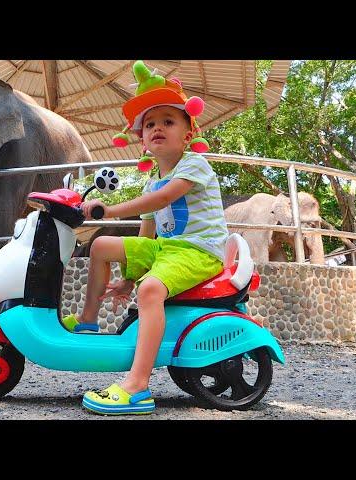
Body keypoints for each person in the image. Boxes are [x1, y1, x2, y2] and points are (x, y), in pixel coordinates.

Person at [61, 61, 229, 415]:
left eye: (168, 121)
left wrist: (109, 211)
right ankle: (89, 319)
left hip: (198, 251)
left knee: (151, 290)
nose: (156, 128)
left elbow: (164, 199)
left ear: (188, 133)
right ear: (142, 140)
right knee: (102, 245)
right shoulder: (153, 180)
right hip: (167, 250)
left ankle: (137, 386)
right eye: (149, 124)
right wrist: (127, 278)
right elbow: (148, 234)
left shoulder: (194, 165)